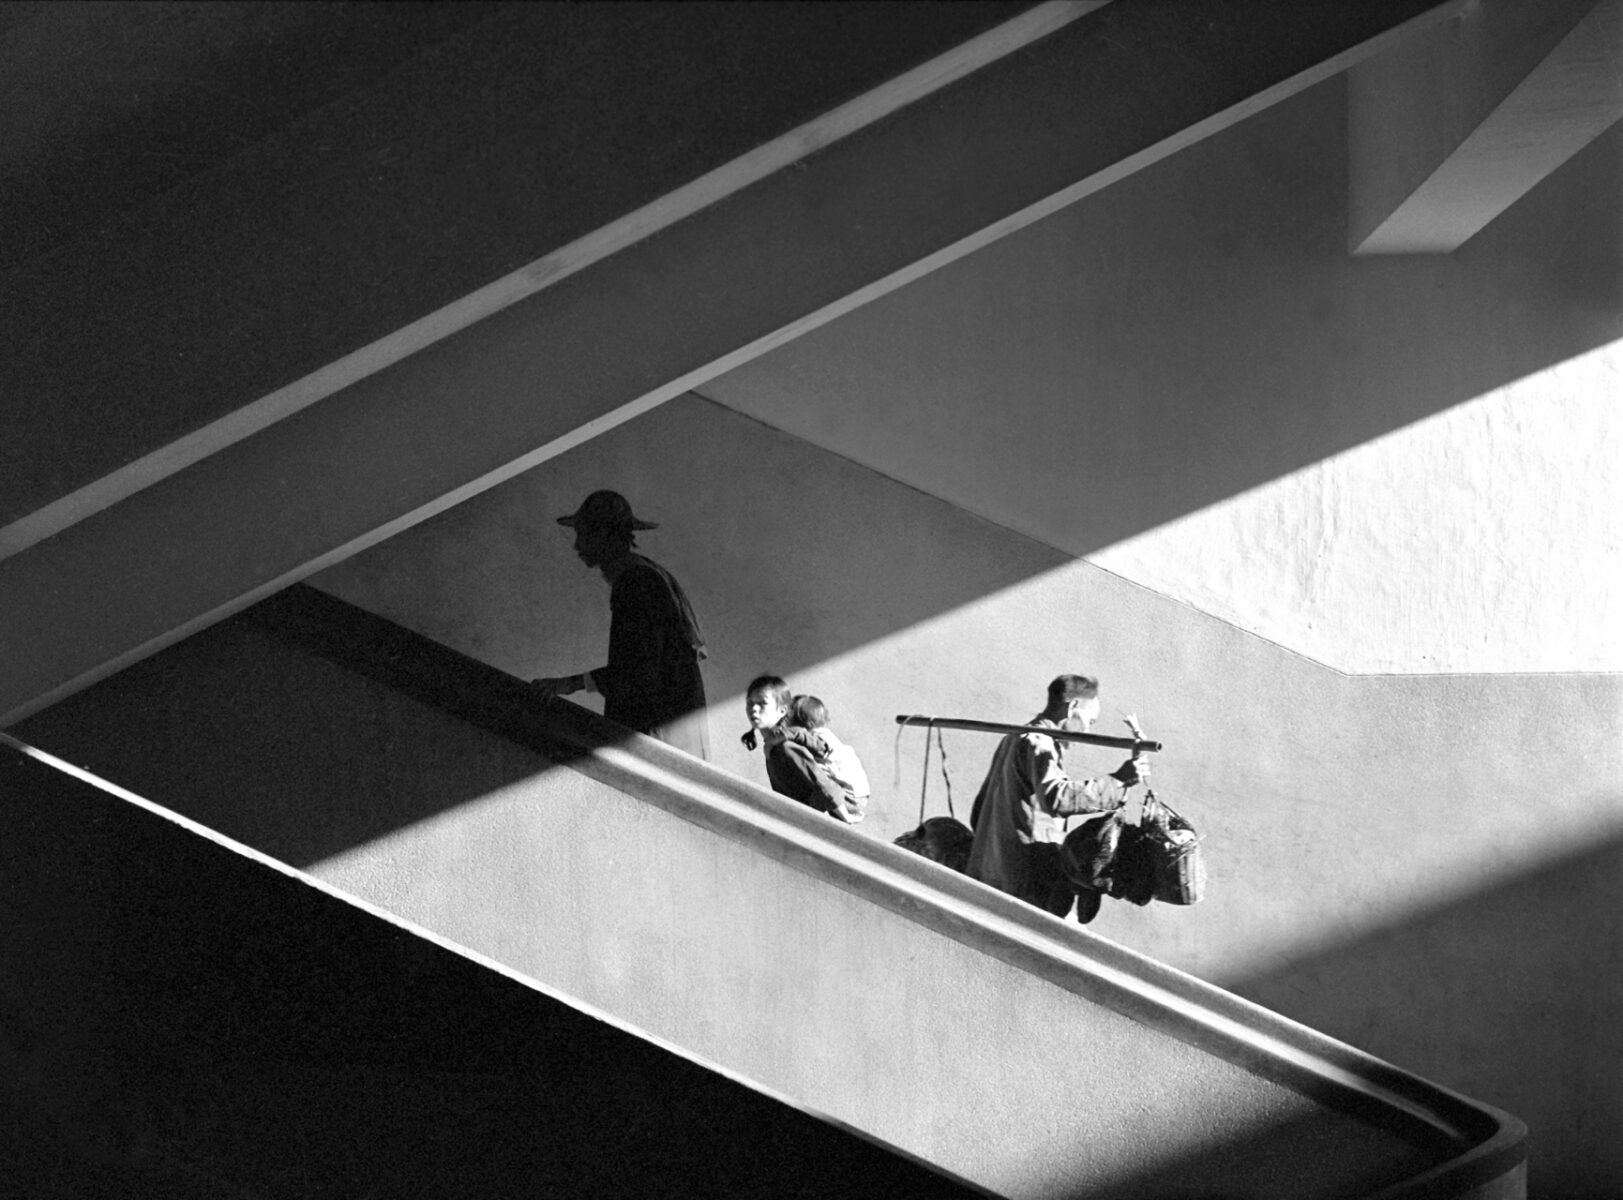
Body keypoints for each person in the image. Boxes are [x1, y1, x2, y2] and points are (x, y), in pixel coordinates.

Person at [532, 490, 709, 759]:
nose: (577, 546)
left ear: (604, 535)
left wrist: (570, 683)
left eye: (583, 535)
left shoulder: (636, 582)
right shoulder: (644, 576)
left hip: (661, 733)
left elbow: (638, 668)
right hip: (672, 730)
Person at [966, 674, 1149, 923]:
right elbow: (1056, 798)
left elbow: (978, 811)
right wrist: (1117, 781)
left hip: (988, 874)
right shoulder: (1039, 742)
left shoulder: (1013, 737)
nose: (1087, 730)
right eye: (1089, 721)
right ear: (1073, 707)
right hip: (1023, 881)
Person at [742, 676, 852, 822]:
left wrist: (846, 820)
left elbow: (823, 784)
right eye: (750, 703)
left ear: (782, 711)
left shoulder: (786, 748)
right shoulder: (773, 748)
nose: (754, 709)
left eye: (762, 703)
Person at [788, 694, 870, 823]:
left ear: (801, 722)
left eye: (789, 719)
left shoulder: (818, 738)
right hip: (860, 793)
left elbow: (815, 745)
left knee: (815, 793)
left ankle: (807, 821)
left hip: (849, 796)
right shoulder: (828, 736)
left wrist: (788, 734)